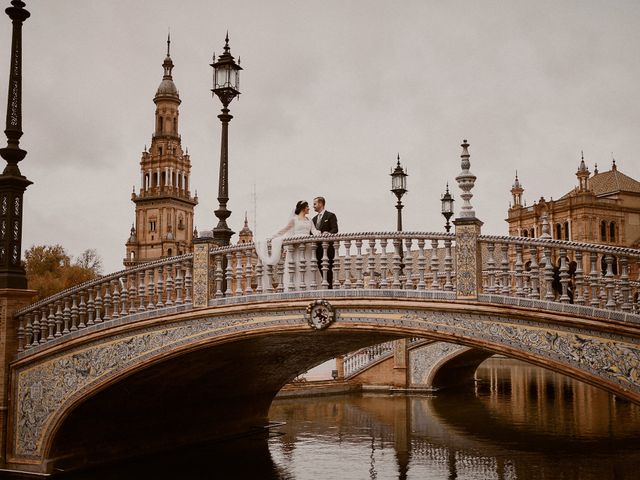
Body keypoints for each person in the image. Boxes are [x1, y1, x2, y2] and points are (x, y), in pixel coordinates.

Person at [255, 200, 321, 290]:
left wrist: (321, 234)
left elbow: (314, 231)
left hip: (307, 246)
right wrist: (272, 237)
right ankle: (297, 287)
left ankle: (310, 287)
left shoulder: (309, 219)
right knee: (297, 265)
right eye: (307, 207)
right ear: (303, 208)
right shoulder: (294, 219)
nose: (309, 208)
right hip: (297, 245)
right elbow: (284, 230)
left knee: (309, 265)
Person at [312, 196, 339, 288]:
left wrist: (328, 233)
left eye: (315, 204)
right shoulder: (314, 219)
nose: (313, 206)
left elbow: (335, 229)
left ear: (320, 204)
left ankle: (329, 288)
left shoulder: (330, 216)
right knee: (319, 267)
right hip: (317, 249)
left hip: (328, 248)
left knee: (328, 268)